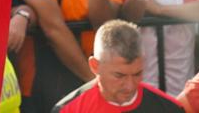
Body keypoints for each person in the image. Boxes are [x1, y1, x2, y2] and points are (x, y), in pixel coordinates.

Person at [52, 19, 183, 112]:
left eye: (137, 74)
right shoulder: (68, 110)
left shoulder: (169, 108)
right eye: (119, 76)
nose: (130, 86)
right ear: (95, 66)